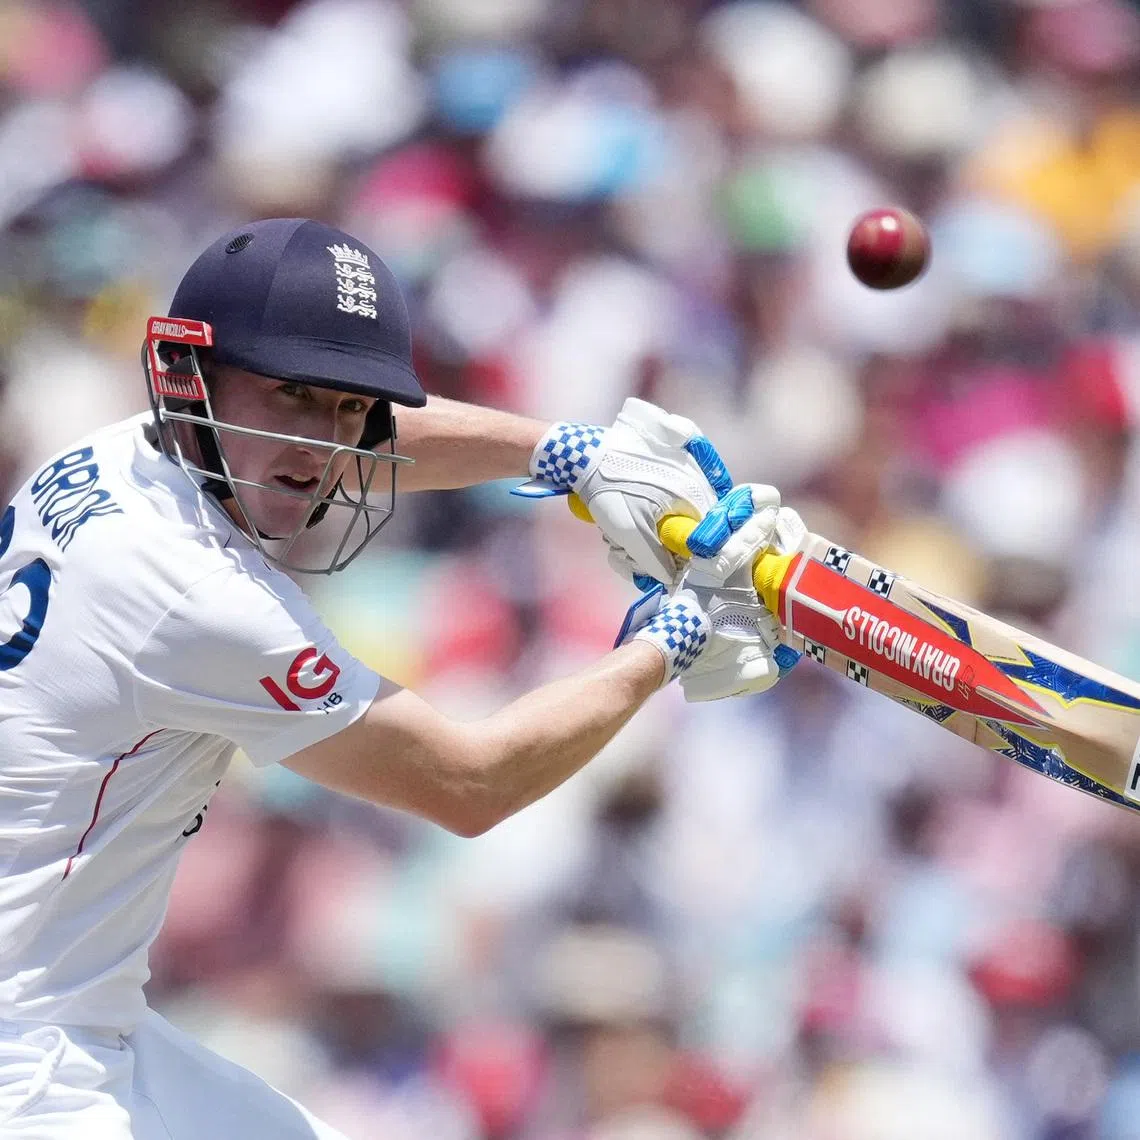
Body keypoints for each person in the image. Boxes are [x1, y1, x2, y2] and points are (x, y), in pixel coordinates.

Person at [0, 217, 795, 1138]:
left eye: (343, 407)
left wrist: (569, 453)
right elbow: (470, 783)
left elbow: (363, 436)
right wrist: (675, 637)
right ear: (189, 377)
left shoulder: (114, 452)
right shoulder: (200, 600)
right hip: (32, 1066)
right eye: (293, 393)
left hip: (80, 1019)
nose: (319, 447)